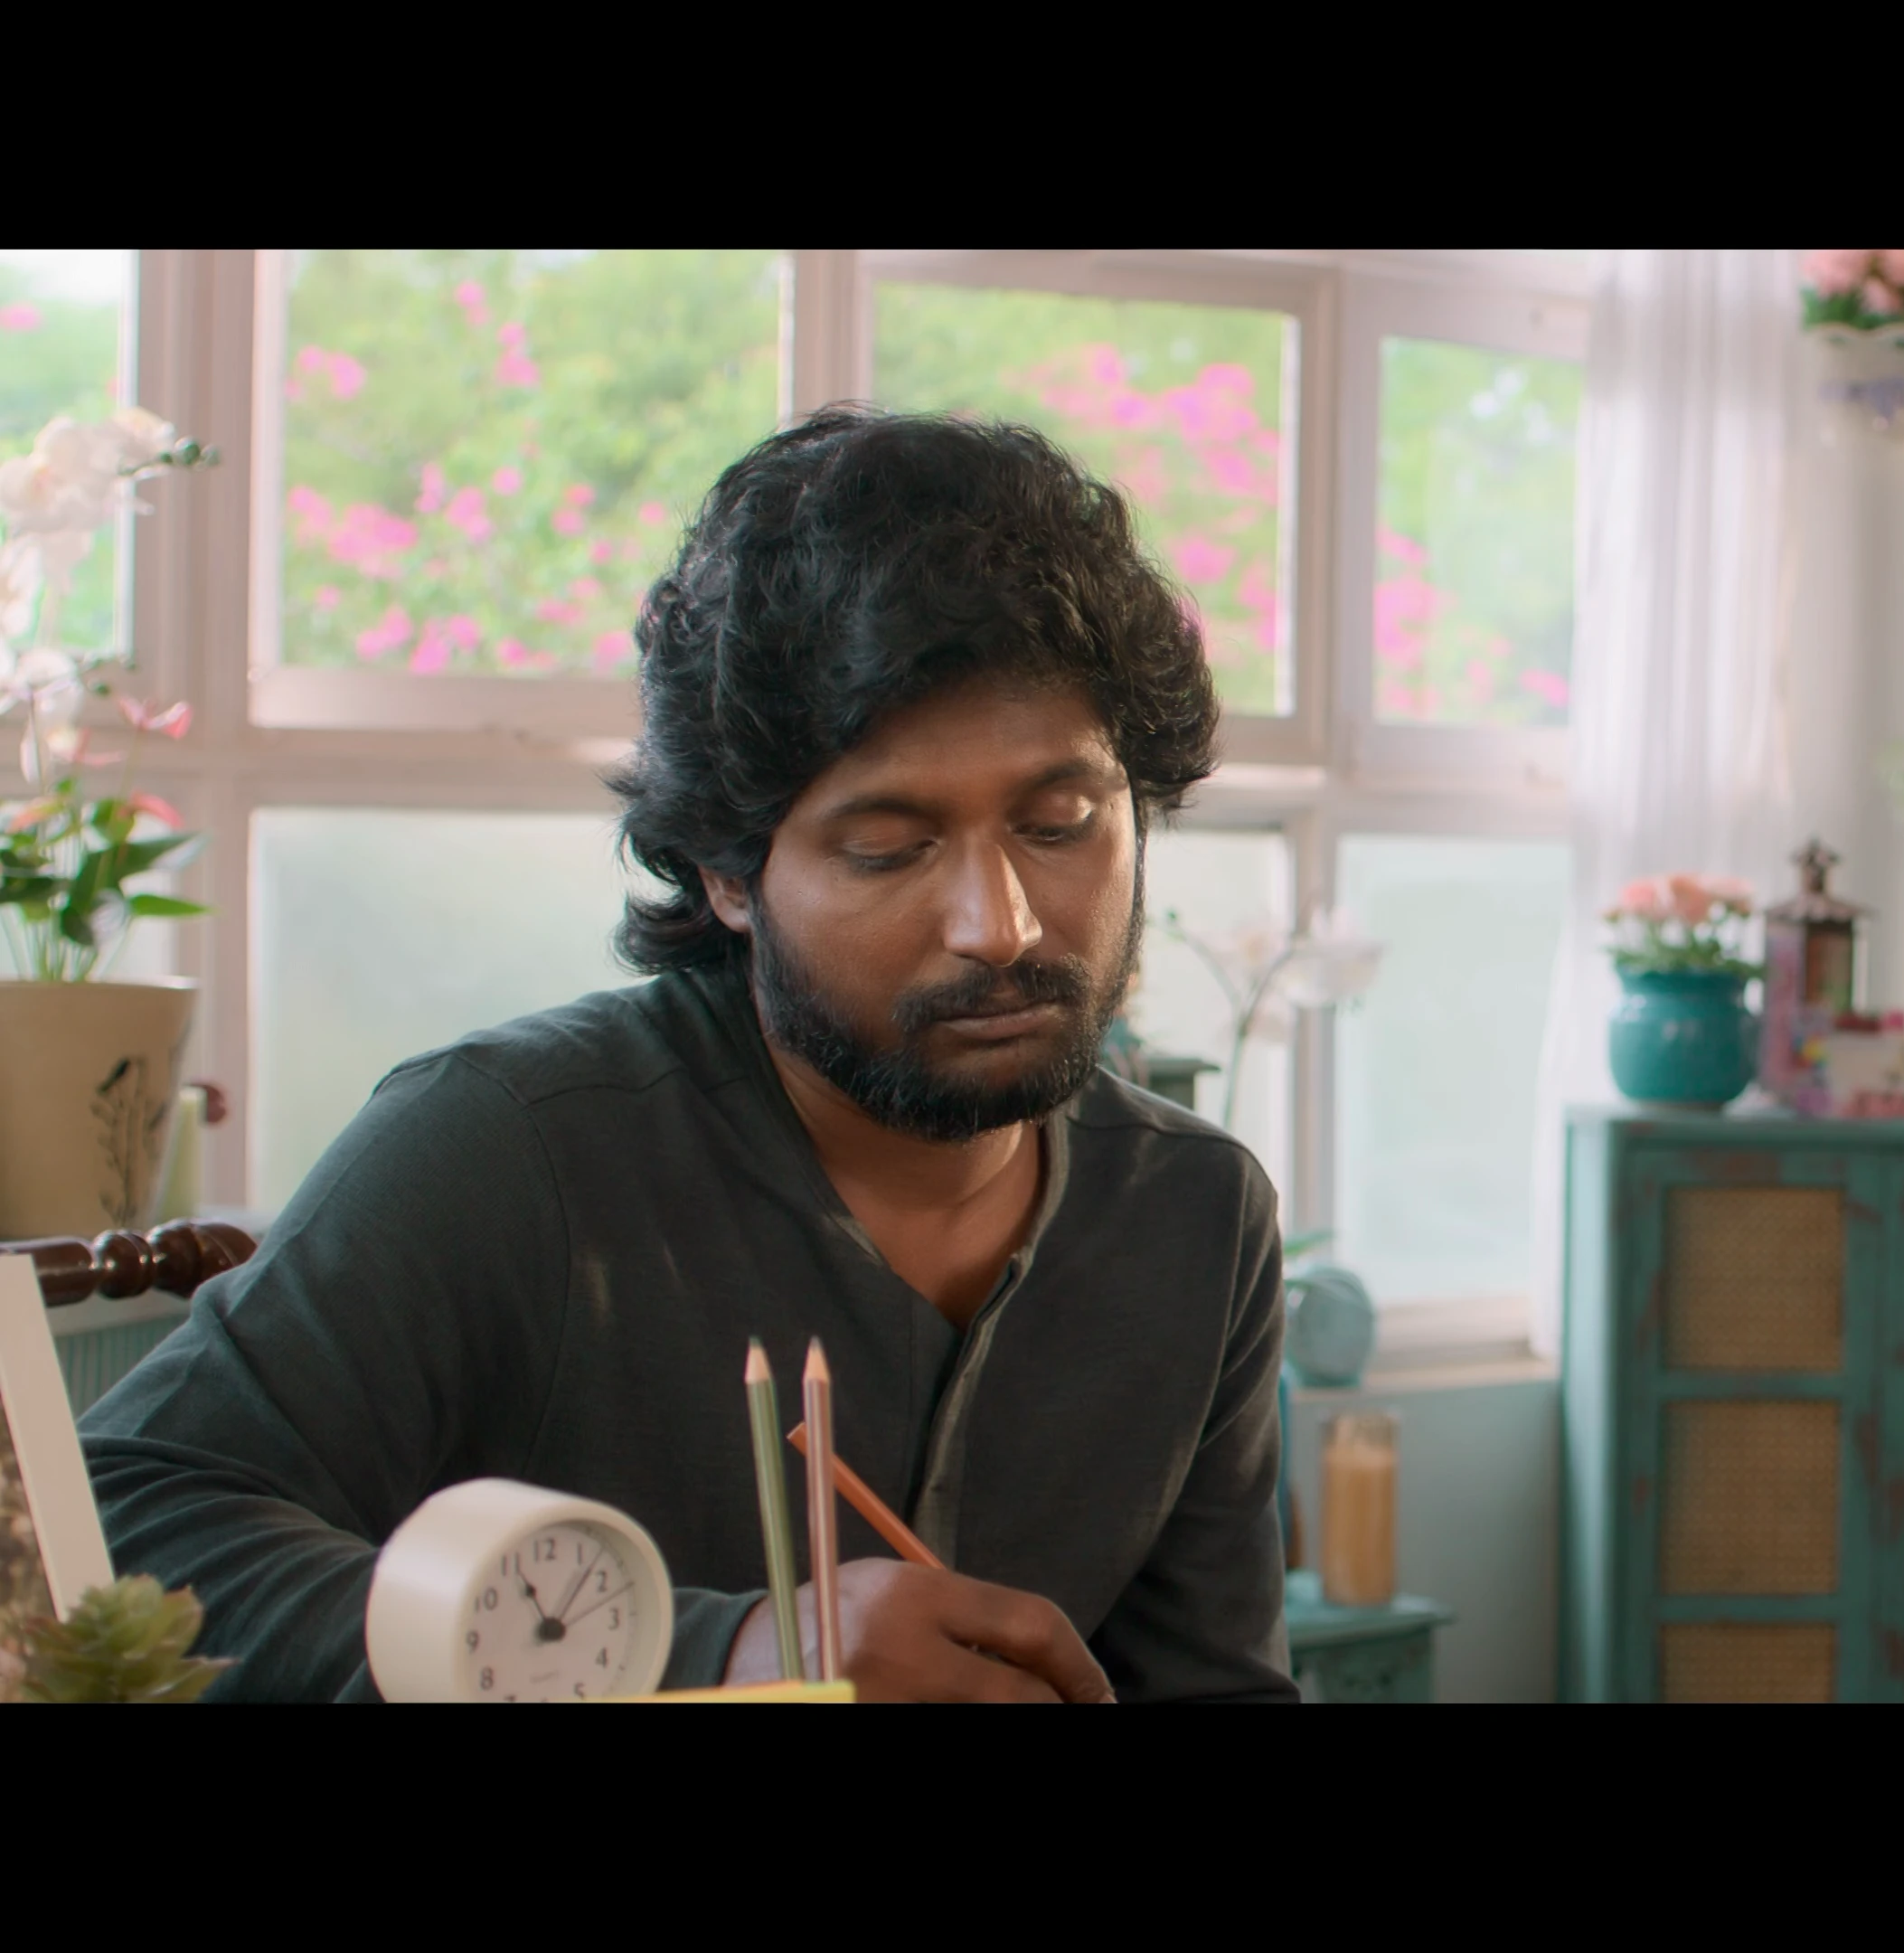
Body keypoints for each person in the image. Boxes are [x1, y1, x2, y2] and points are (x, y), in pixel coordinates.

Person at [84, 409, 1294, 1702]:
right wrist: (705, 1658)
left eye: (1061, 823)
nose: (998, 926)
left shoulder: (1196, 1216)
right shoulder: (511, 1149)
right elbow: (118, 1523)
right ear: (726, 873)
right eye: (887, 849)